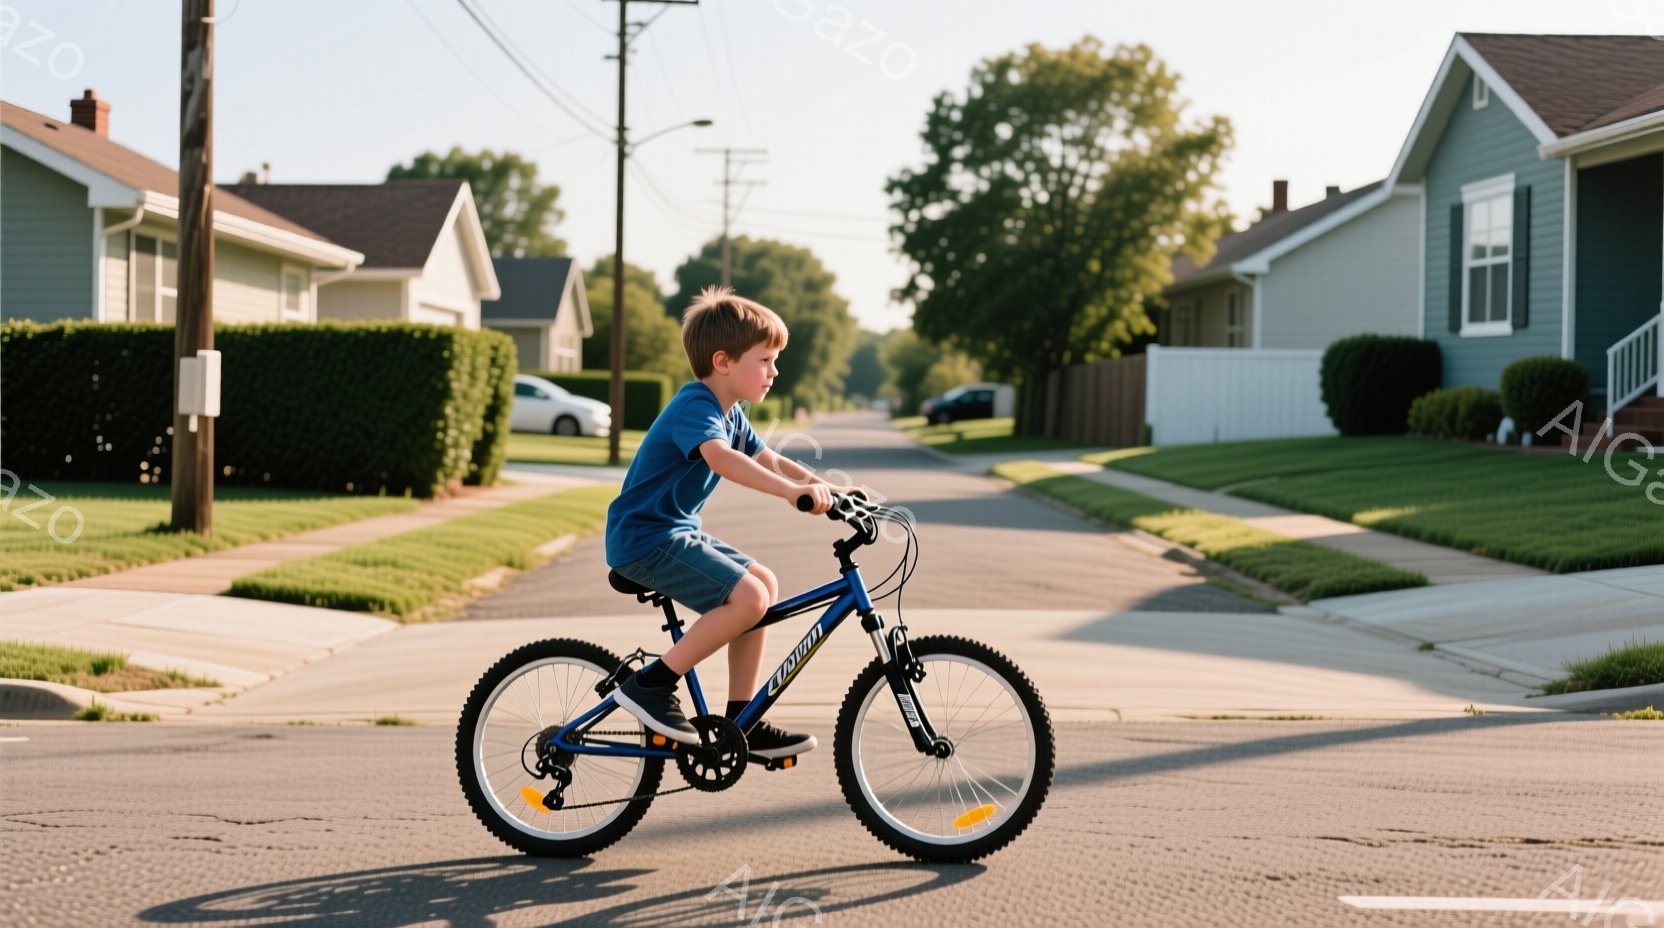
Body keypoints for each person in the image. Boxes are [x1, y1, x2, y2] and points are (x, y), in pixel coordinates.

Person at [604, 285, 862, 759]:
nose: (774, 371)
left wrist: (829, 490)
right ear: (723, 362)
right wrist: (791, 495)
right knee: (749, 596)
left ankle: (743, 719)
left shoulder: (731, 412)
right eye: (764, 359)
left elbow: (768, 457)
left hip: (674, 533)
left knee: (764, 583)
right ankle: (651, 686)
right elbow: (722, 459)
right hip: (644, 538)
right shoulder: (696, 406)